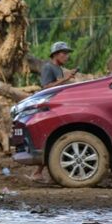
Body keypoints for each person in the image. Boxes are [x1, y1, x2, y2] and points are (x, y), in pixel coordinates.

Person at [30, 41, 77, 182]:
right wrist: (65, 79)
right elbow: (46, 87)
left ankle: (47, 173)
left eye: (67, 54)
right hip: (49, 107)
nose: (66, 56)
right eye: (64, 53)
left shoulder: (58, 68)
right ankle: (38, 173)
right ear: (55, 54)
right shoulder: (48, 67)